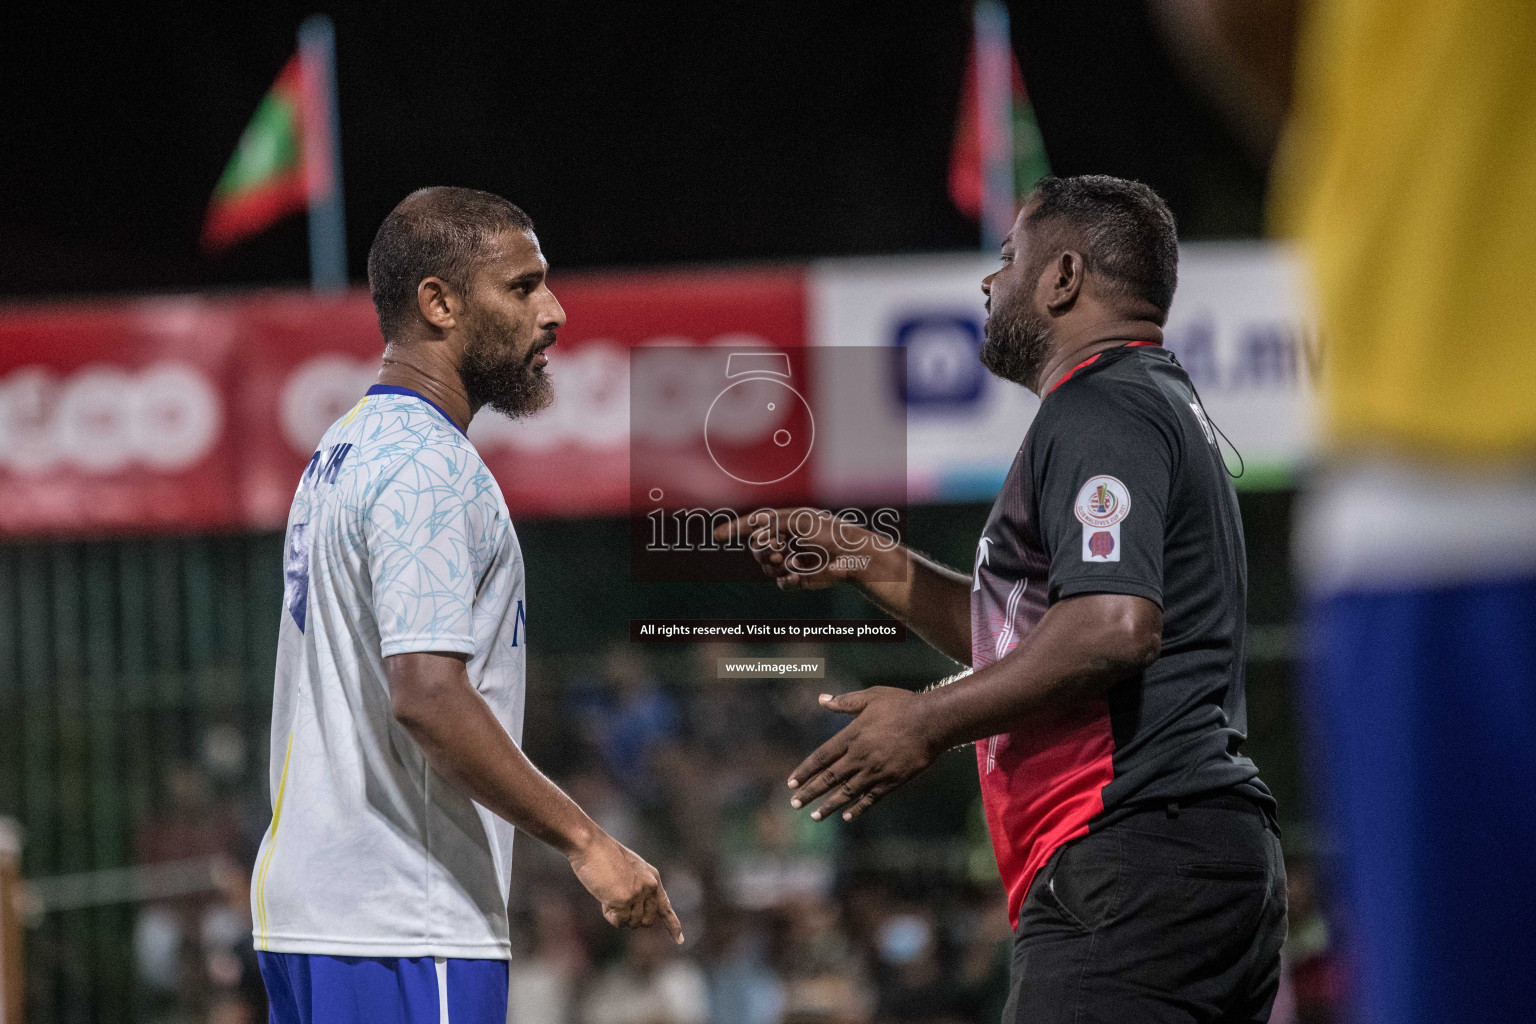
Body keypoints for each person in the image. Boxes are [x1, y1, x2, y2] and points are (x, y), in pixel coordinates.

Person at [727, 175, 1286, 1022]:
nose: (989, 284)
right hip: (1174, 860)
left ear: (1062, 278)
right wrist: (870, 559)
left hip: (1132, 856)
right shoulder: (1141, 400)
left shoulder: (1101, 405)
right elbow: (1039, 636)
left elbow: (1110, 628)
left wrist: (925, 720)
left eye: (1006, 259)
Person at [251, 187, 682, 1024]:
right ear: (438, 303)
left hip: (313, 916)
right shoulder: (427, 465)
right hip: (403, 920)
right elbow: (429, 695)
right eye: (522, 288)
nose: (553, 313)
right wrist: (590, 845)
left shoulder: (342, 448)